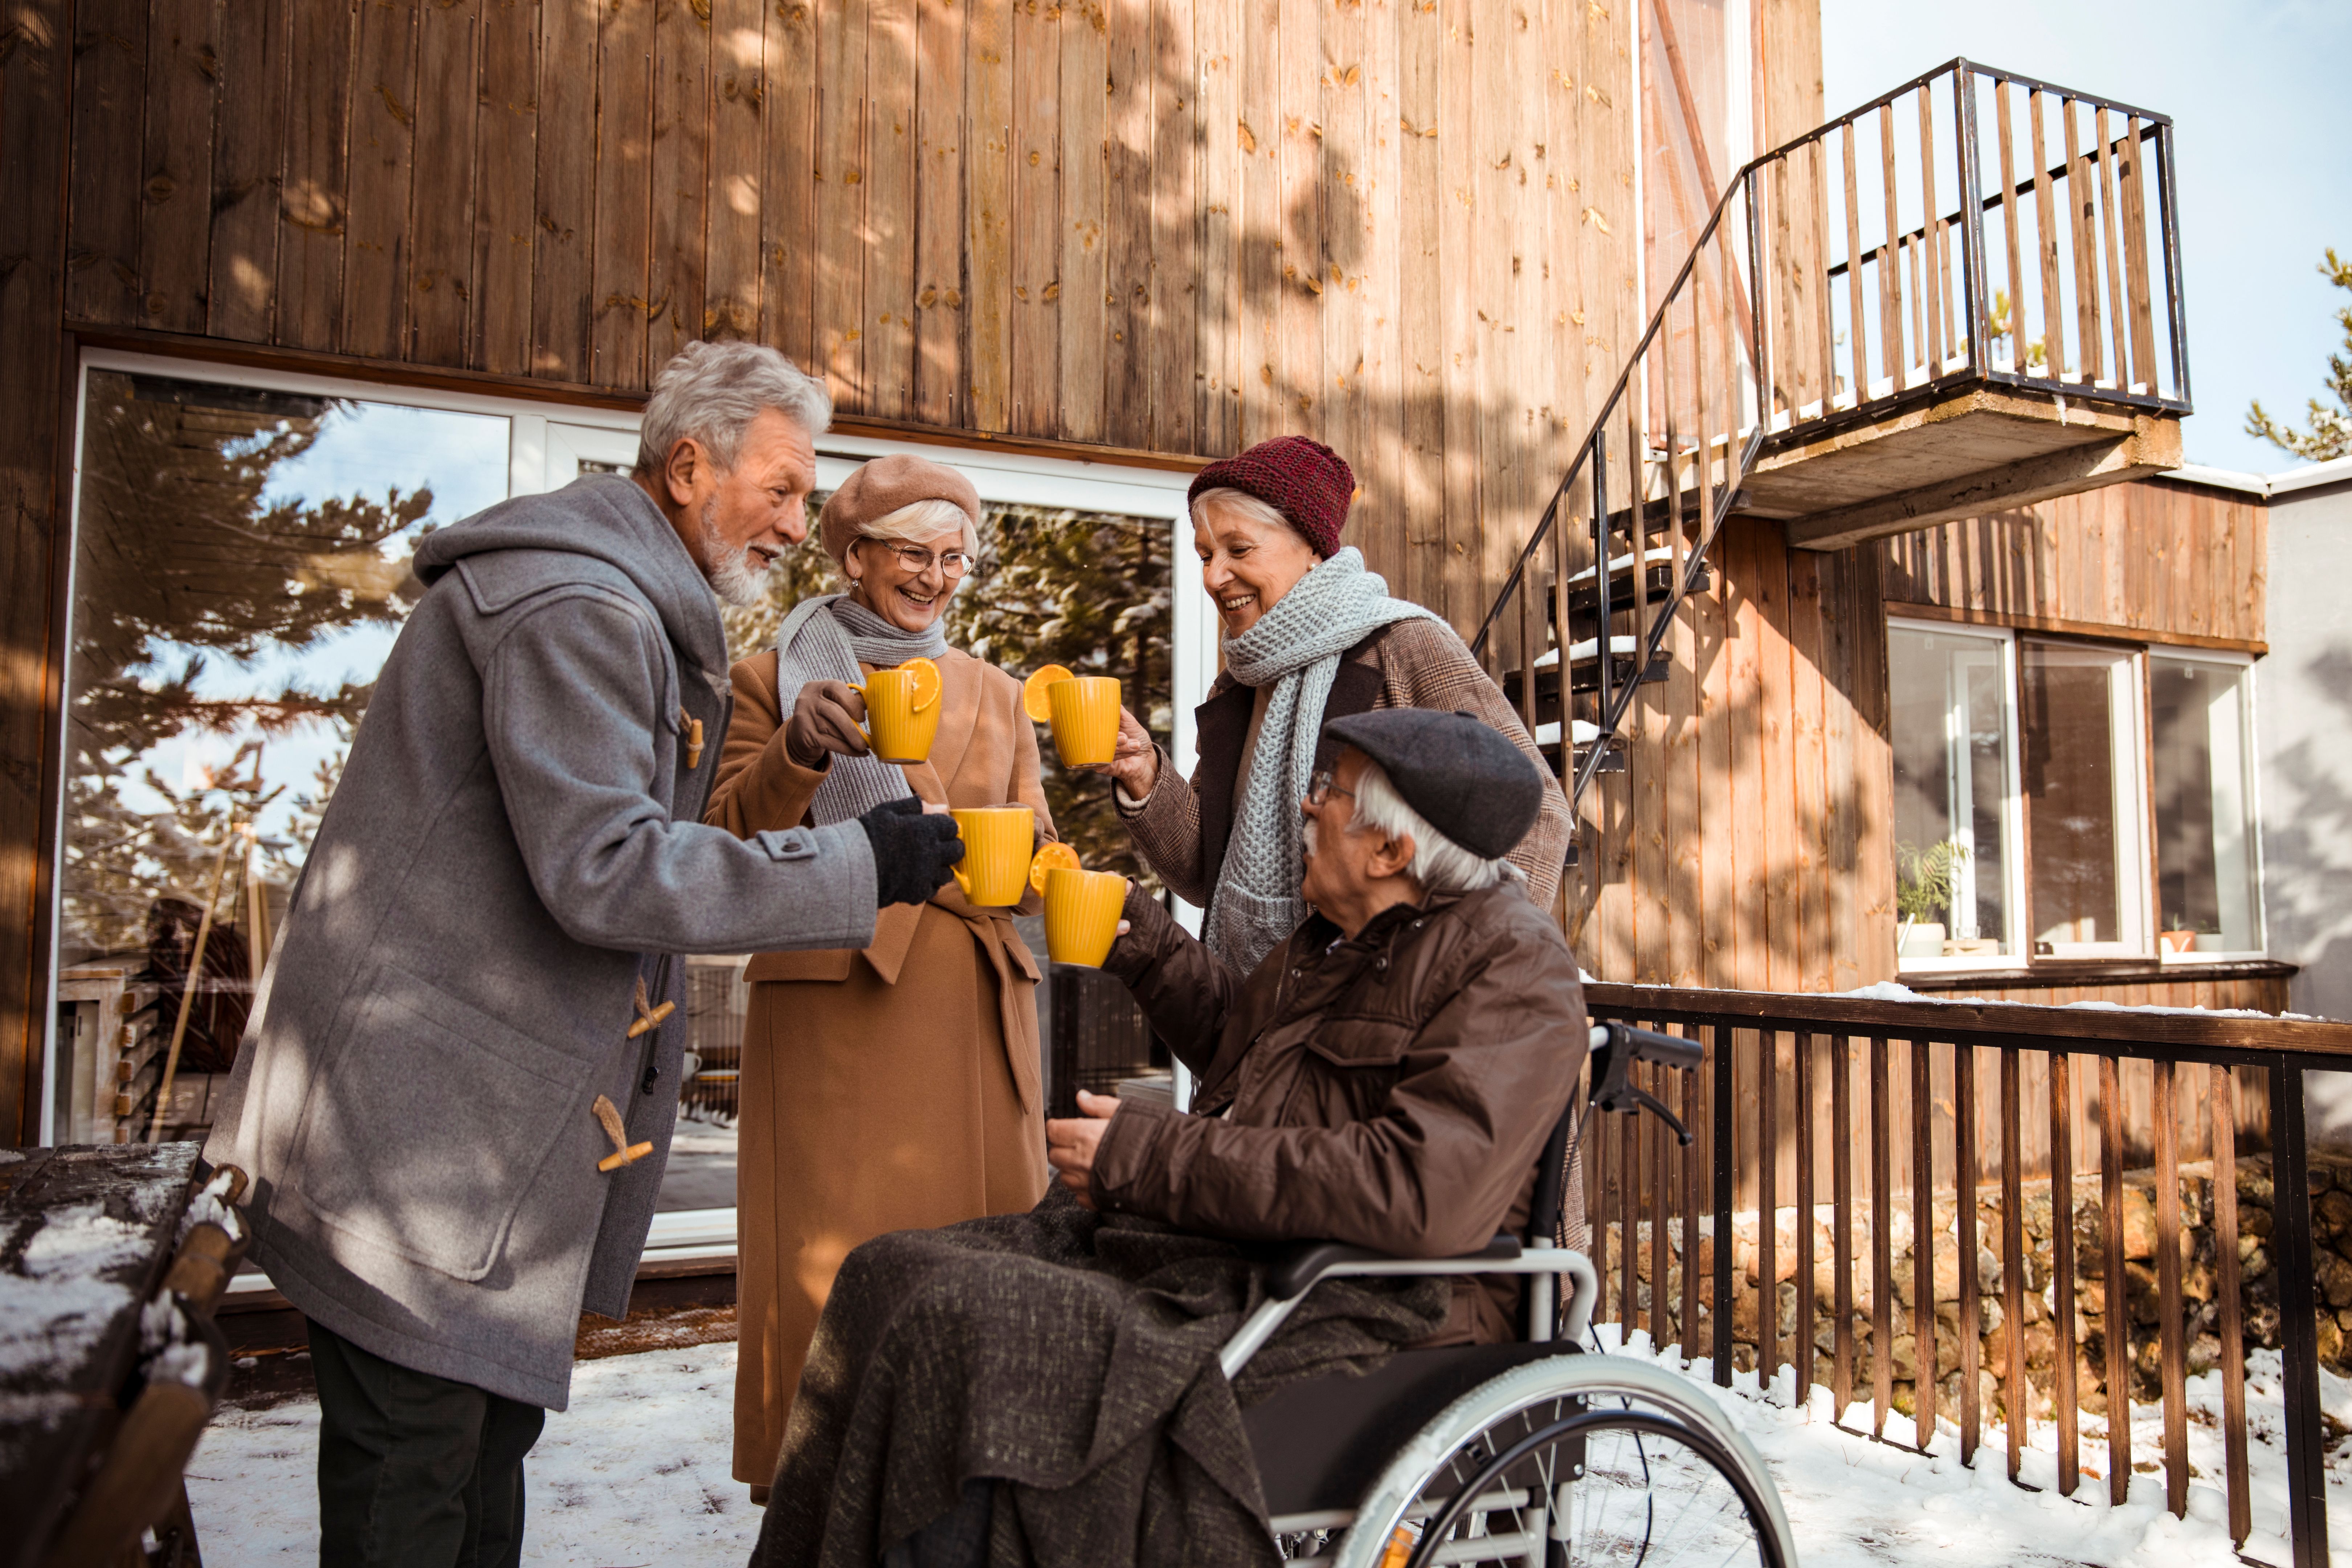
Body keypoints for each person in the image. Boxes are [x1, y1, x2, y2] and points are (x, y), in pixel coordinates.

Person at [202, 341, 966, 1568]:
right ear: (687, 467)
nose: (795, 523)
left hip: (468, 1145)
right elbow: (607, 868)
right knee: (417, 1481)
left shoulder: (617, 602)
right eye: (780, 489)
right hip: (421, 1149)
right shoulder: (579, 609)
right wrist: (859, 866)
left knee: (472, 1463)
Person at [752, 708, 1588, 1568]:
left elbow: (1423, 1193)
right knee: (886, 1273)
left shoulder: (1511, 965)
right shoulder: (1337, 939)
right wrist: (1145, 944)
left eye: (1329, 792)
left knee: (967, 1326)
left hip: (1374, 1307)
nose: (1307, 806)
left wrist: (1149, 1159)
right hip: (1239, 1253)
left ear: (1391, 850)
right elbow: (1244, 1057)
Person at [705, 454, 1058, 1498]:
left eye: (954, 559)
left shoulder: (999, 693)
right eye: (912, 553)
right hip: (839, 1012)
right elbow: (718, 849)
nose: (934, 577)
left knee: (980, 1270)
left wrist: (1045, 869)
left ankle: (973, 1498)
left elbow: (1035, 860)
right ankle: (826, 1501)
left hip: (973, 1014)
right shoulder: (770, 681)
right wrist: (798, 755)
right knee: (838, 1274)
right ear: (855, 556)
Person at [1089, 435, 1573, 977]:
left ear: (1313, 548)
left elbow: (1540, 813)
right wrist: (1145, 775)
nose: (1213, 576)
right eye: (1206, 555)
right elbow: (1207, 872)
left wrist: (1453, 973)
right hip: (1255, 1005)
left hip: (1374, 997)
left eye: (1239, 550)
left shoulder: (1399, 645)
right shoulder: (1239, 686)